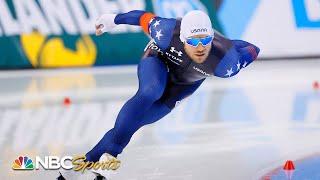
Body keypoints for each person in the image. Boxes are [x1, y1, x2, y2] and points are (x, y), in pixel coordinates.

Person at [60, 10, 260, 179]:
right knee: (151, 91)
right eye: (192, 40)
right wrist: (113, 19)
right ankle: (111, 154)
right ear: (182, 38)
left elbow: (252, 49)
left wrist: (229, 46)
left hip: (183, 84)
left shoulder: (226, 64)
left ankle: (82, 164)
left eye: (205, 40)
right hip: (157, 61)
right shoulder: (166, 31)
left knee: (137, 121)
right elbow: (142, 17)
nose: (200, 48)